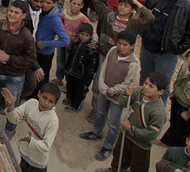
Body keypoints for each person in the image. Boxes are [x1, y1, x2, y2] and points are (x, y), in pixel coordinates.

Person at [81, 30, 141, 162]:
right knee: (100, 113)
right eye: (119, 43)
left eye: (125, 45)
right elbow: (104, 67)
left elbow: (128, 84)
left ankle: (108, 147)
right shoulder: (112, 51)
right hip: (105, 91)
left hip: (118, 98)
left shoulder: (134, 64)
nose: (121, 47)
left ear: (131, 46)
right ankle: (96, 132)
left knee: (114, 124)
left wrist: (112, 90)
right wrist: (102, 85)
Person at [140, 0, 190, 103]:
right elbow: (143, 13)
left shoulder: (185, 7)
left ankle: (156, 115)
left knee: (162, 85)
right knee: (145, 77)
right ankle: (141, 107)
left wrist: (176, 49)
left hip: (166, 54)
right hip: (147, 47)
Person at [96, 72, 168, 172]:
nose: (146, 87)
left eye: (151, 86)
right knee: (119, 154)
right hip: (126, 134)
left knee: (138, 165)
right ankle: (115, 170)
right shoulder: (138, 91)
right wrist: (125, 94)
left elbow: (152, 133)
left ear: (160, 92)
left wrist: (131, 129)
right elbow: (122, 103)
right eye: (146, 83)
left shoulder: (159, 111)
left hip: (141, 143)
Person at [0, 0, 36, 135]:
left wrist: (8, 59)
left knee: (12, 106)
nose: (12, 15)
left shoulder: (26, 36)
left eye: (17, 13)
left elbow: (30, 60)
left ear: (23, 16)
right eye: (11, 11)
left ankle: (9, 130)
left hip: (14, 77)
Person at [2, 82, 60, 172]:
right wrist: (11, 106)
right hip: (24, 152)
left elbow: (46, 146)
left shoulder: (53, 121)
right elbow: (14, 119)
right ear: (39, 94)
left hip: (38, 162)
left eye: (51, 101)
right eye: (44, 97)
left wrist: (30, 140)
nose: (46, 103)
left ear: (55, 104)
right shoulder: (31, 103)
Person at [62, 22, 99, 112]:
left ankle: (75, 106)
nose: (84, 37)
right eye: (82, 34)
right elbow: (70, 56)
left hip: (81, 75)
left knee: (79, 91)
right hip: (72, 71)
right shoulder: (76, 43)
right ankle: (69, 99)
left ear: (91, 36)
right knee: (70, 86)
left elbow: (91, 68)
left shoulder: (91, 50)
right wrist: (67, 68)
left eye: (87, 35)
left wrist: (87, 81)